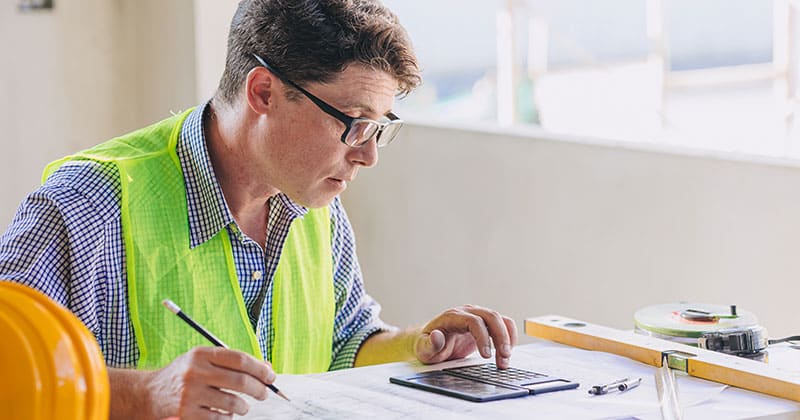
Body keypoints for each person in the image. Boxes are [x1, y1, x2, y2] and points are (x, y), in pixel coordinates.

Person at [0, 0, 517, 418]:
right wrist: (146, 395)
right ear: (264, 92)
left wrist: (419, 346)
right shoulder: (84, 206)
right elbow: (10, 377)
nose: (368, 153)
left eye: (380, 126)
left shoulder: (315, 203)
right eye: (355, 121)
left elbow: (343, 343)